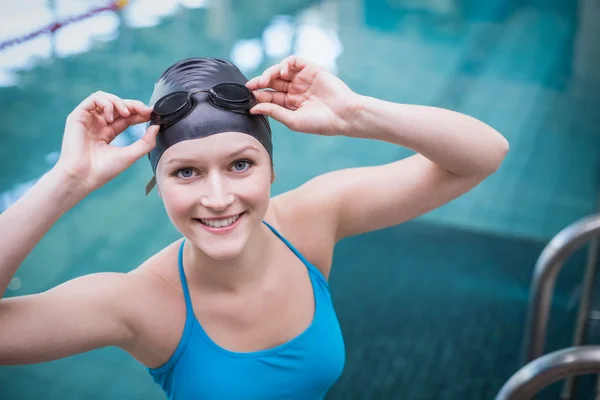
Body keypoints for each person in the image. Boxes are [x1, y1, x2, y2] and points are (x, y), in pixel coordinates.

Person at [0, 56, 508, 399]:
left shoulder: (311, 219)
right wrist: (67, 180)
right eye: (185, 172)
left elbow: (482, 156)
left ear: (272, 169)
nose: (218, 198)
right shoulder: (139, 303)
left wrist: (357, 113)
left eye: (241, 165)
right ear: (157, 182)